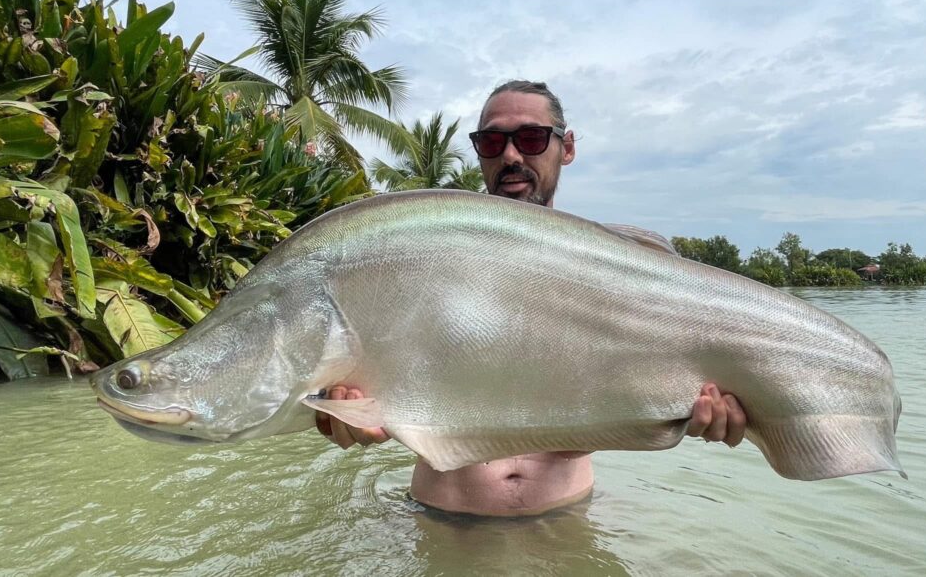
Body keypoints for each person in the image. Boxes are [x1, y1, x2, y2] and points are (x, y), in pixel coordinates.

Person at [316, 80, 747, 516]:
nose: (510, 156)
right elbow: (379, 381)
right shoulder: (431, 264)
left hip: (564, 520)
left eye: (530, 138)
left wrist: (697, 411)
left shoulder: (611, 278)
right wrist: (349, 410)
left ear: (568, 146)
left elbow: (663, 388)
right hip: (445, 521)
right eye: (491, 141)